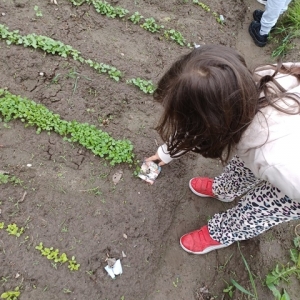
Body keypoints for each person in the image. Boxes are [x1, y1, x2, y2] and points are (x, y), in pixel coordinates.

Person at [146, 44, 300, 254]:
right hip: (277, 137)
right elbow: (195, 127)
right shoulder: (251, 81)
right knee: (245, 163)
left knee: (259, 210)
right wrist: (167, 152)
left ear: (212, 126)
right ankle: (225, 190)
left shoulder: (274, 161)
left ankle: (222, 232)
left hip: (295, 184)